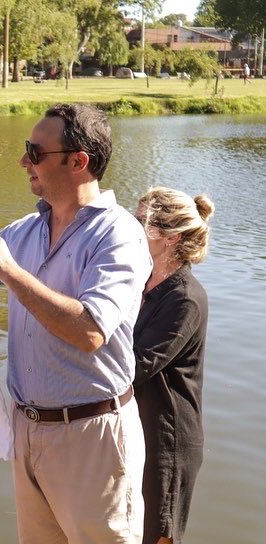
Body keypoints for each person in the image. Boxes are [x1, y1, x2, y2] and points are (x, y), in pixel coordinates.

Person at [0, 103, 152, 543]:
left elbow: (90, 330)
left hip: (91, 436)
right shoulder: (21, 232)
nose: (23, 162)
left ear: (78, 162)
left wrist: (11, 274)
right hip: (28, 431)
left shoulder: (119, 234)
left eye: (34, 152)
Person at [133, 187, 214, 544]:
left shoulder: (185, 299)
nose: (131, 231)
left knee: (158, 537)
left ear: (170, 238)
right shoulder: (142, 281)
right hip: (138, 428)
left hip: (168, 441)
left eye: (140, 223)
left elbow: (137, 365)